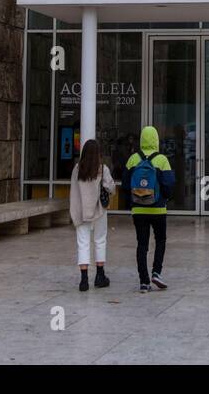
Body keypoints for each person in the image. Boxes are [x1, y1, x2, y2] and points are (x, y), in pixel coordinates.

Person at [126, 125, 175, 293]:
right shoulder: (162, 160)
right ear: (155, 139)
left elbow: (125, 184)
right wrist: (165, 199)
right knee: (160, 240)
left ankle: (144, 281)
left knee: (142, 244)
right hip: (158, 209)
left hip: (138, 210)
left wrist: (133, 202)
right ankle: (156, 272)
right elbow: (169, 185)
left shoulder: (133, 159)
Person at [70, 139, 114, 292]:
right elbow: (111, 188)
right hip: (99, 210)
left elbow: (74, 192)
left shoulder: (77, 169)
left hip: (82, 210)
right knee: (100, 240)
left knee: (83, 243)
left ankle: (84, 279)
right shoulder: (103, 168)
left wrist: (74, 210)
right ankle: (100, 276)